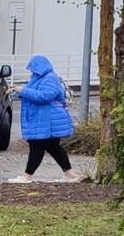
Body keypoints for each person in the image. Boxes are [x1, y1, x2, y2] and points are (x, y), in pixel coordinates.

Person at [8, 55, 79, 183]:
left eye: (33, 69)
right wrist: (16, 91)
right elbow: (31, 91)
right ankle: (70, 174)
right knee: (53, 147)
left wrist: (23, 91)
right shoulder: (38, 78)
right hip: (43, 120)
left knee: (37, 147)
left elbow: (44, 96)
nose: (32, 71)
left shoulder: (50, 78)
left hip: (47, 121)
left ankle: (27, 176)